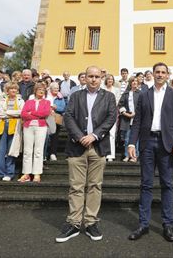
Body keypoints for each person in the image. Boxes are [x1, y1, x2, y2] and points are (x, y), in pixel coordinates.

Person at [56, 66, 117, 243]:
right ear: (85, 78)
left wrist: (94, 135)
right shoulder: (76, 96)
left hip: (98, 147)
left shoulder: (109, 97)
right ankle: (74, 223)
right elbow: (68, 117)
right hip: (77, 146)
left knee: (95, 186)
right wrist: (80, 136)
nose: (93, 79)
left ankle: (91, 222)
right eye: (90, 76)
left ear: (101, 78)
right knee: (76, 186)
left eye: (97, 76)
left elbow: (111, 118)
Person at [127, 62, 173, 242]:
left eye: (163, 72)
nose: (160, 75)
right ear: (152, 74)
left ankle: (168, 224)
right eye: (157, 72)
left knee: (167, 184)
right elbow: (137, 122)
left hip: (166, 144)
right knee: (146, 185)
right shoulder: (144, 95)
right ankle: (143, 224)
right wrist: (131, 144)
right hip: (147, 143)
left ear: (168, 75)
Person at [0, 83, 24, 181]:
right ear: (7, 91)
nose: (13, 91)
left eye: (15, 89)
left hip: (15, 127)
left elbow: (21, 112)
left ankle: (9, 173)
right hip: (2, 126)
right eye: (11, 89)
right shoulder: (2, 100)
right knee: (0, 151)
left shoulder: (20, 101)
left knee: (11, 150)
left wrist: (7, 112)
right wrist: (13, 114)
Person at [19, 83, 51, 183]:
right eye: (39, 89)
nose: (41, 91)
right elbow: (23, 114)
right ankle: (26, 173)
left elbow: (45, 113)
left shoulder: (47, 102)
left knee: (38, 150)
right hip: (28, 127)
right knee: (27, 150)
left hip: (41, 127)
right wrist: (36, 115)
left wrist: (31, 113)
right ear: (35, 91)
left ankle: (37, 173)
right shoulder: (28, 102)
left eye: (43, 90)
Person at [118, 77, 141, 162]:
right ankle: (127, 155)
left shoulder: (141, 93)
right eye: (133, 81)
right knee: (127, 138)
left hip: (137, 119)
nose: (134, 83)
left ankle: (134, 156)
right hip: (127, 119)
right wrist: (125, 113)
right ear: (130, 83)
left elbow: (143, 106)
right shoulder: (126, 94)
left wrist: (136, 113)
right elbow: (120, 105)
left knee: (136, 139)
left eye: (136, 81)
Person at [102, 74, 121, 162]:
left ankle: (110, 155)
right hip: (102, 115)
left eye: (111, 79)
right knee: (102, 134)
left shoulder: (116, 90)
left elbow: (117, 101)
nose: (110, 80)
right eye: (108, 79)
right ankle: (103, 153)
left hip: (112, 114)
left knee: (112, 135)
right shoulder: (102, 89)